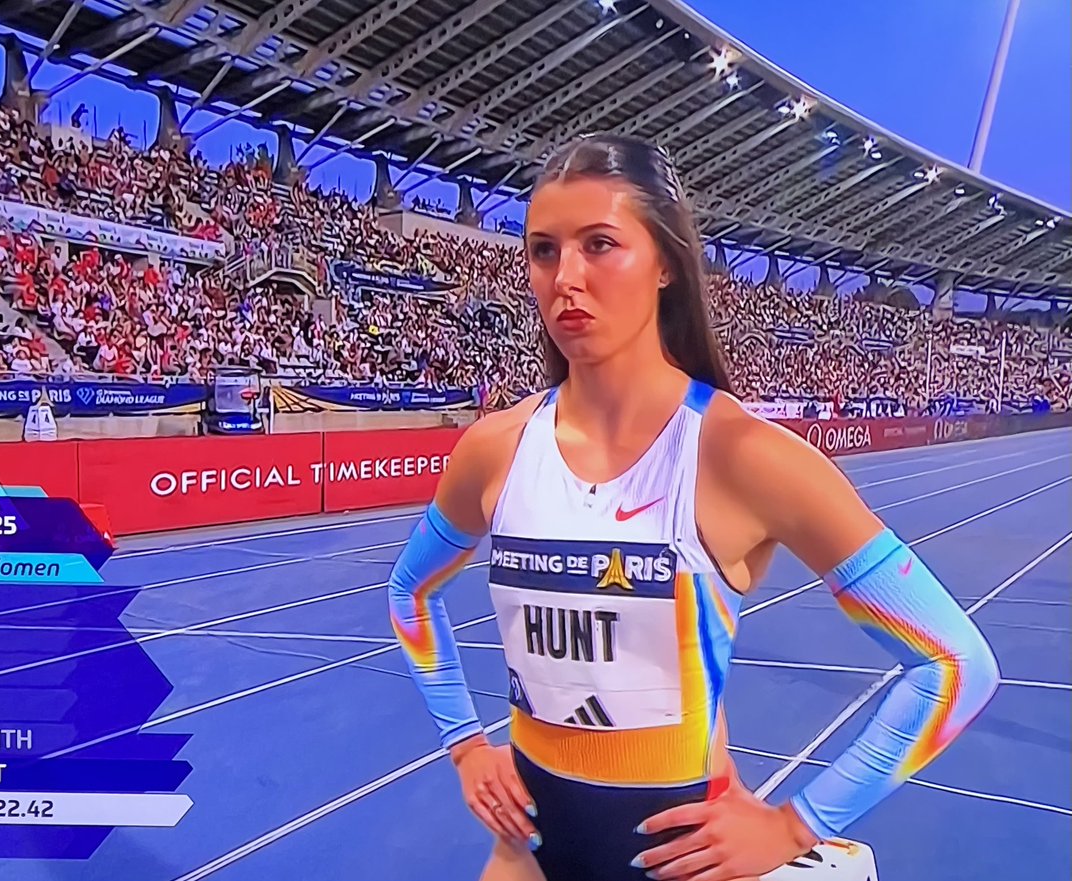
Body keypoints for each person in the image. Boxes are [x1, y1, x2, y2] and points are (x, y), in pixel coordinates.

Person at [387, 133, 1000, 881]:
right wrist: (464, 745)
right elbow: (408, 591)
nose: (565, 276)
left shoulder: (741, 456)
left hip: (685, 865)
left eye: (600, 244)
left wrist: (793, 823)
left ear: (667, 264)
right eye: (544, 250)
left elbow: (955, 663)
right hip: (527, 859)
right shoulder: (494, 449)